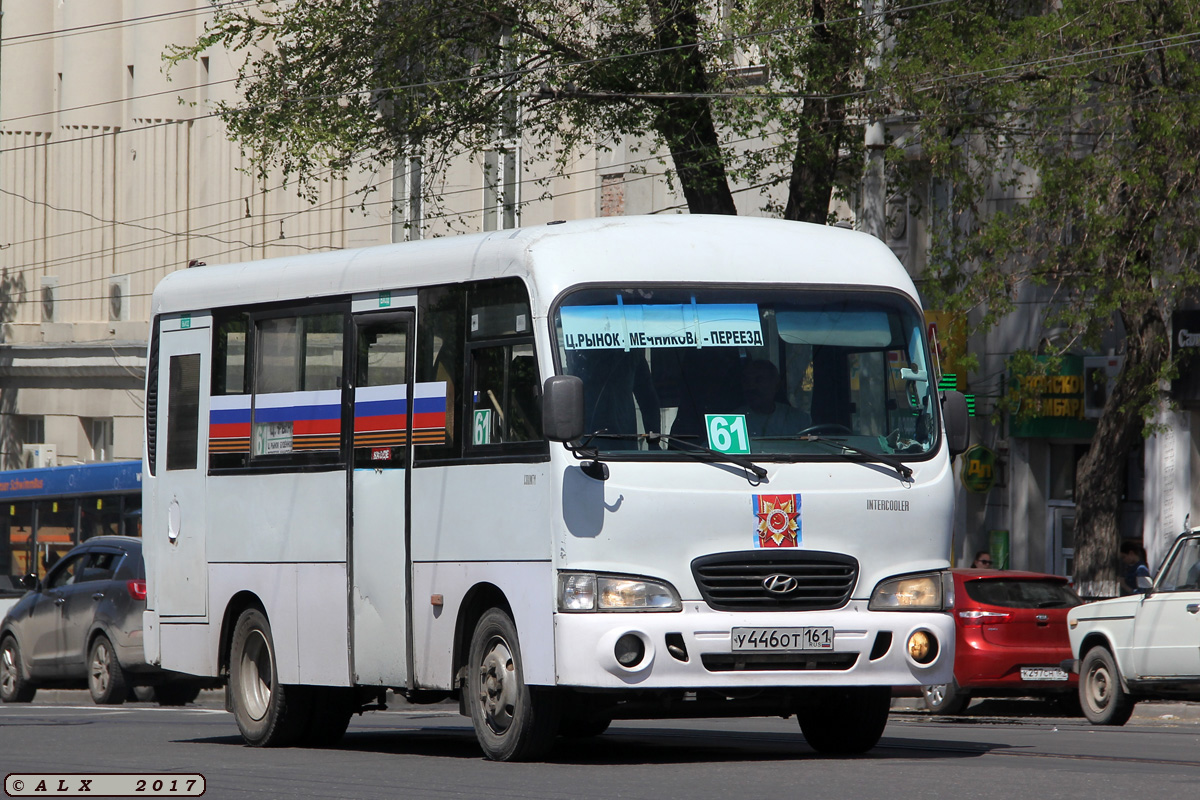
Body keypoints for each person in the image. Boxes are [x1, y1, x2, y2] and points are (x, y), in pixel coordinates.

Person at [737, 359, 810, 437]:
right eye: (747, 381)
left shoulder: (798, 419)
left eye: (759, 380)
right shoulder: (734, 421)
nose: (752, 387)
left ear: (776, 385)